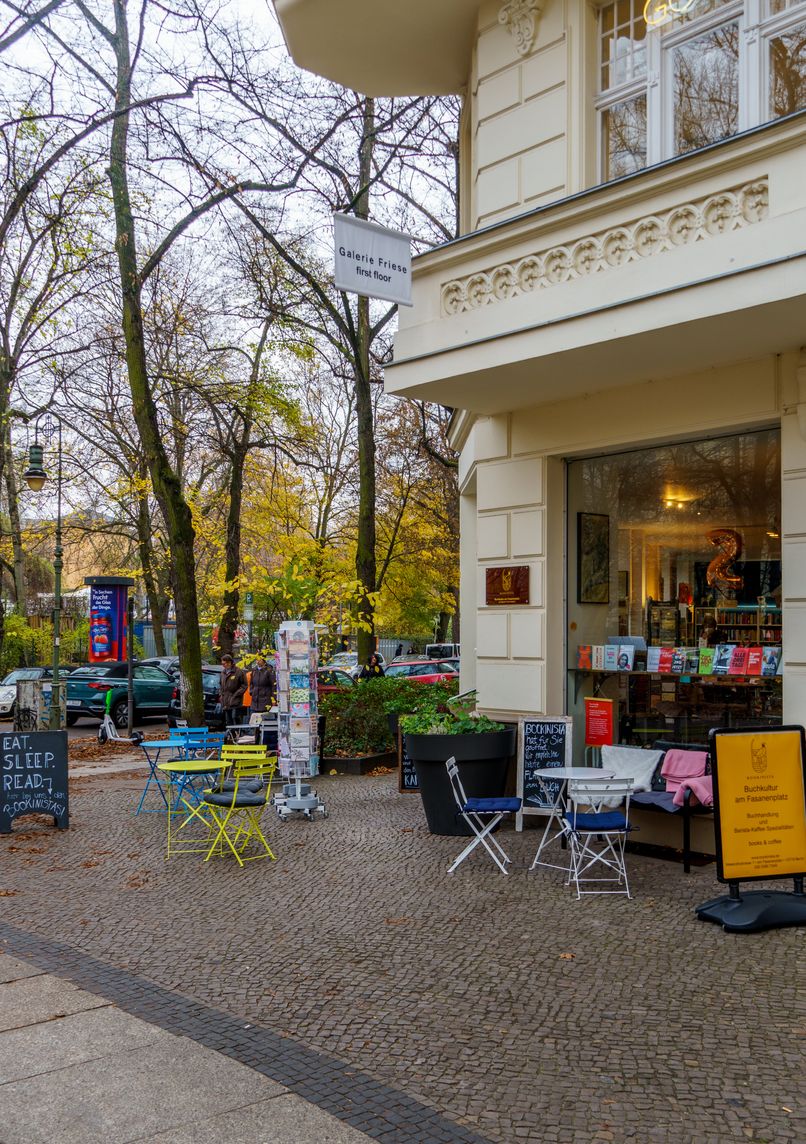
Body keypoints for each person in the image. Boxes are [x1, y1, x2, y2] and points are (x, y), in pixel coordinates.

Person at [218, 653, 247, 729]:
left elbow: (244, 685)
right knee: (228, 720)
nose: (223, 665)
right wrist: (221, 695)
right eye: (222, 664)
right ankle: (232, 736)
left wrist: (236, 694)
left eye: (224, 663)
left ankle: (239, 734)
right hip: (226, 701)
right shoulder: (223, 673)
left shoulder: (238, 672)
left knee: (236, 718)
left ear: (229, 662)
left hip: (235, 700)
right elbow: (220, 685)